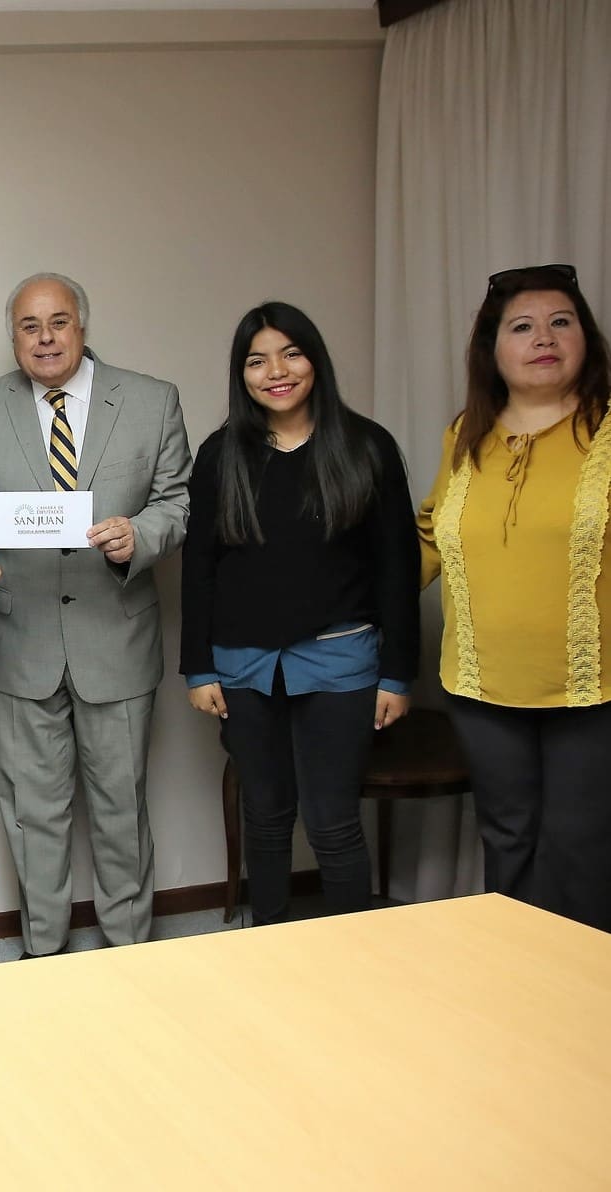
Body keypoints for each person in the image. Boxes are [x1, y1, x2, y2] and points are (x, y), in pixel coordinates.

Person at [0, 271, 190, 957]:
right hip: (17, 641)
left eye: (57, 322)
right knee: (33, 816)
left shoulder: (149, 400)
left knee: (120, 812)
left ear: (81, 326)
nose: (44, 337)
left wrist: (139, 537)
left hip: (115, 638)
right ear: (12, 337)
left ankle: (127, 953)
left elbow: (176, 502)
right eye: (28, 325)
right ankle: (42, 956)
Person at [180, 301, 418, 925]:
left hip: (341, 657)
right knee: (265, 813)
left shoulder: (367, 447)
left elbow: (397, 566)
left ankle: (352, 961)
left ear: (315, 359)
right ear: (242, 374)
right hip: (242, 663)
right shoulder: (219, 454)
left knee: (334, 820)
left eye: (290, 353)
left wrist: (397, 674)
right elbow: (199, 568)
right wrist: (198, 668)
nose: (275, 371)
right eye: (257, 360)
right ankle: (271, 953)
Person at [418, 263, 611, 932]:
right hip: (481, 687)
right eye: (521, 326)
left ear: (584, 338)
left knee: (578, 850)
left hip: (589, 692)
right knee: (506, 842)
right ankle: (515, 997)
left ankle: (581, 1013)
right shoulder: (462, 435)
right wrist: (344, 592)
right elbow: (430, 533)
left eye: (561, 322)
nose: (543, 338)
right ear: (492, 349)